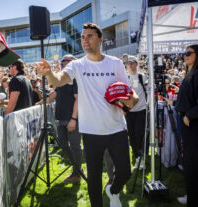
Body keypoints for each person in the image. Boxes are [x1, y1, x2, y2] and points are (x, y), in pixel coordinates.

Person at [36, 23, 139, 207]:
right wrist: (49, 73)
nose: (85, 40)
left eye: (90, 36)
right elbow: (58, 80)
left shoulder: (115, 63)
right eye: (83, 37)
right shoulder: (77, 65)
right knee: (94, 178)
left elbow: (128, 91)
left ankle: (113, 191)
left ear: (100, 39)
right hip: (91, 132)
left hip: (117, 128)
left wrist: (134, 99)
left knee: (125, 173)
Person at [175, 44, 198, 206]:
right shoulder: (191, 74)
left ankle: (197, 200)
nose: (185, 55)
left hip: (194, 126)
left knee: (196, 165)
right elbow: (189, 99)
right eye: (184, 53)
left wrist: (189, 115)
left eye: (189, 53)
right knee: (190, 163)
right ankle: (192, 196)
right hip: (188, 125)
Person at [37, 54, 83, 183]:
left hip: (71, 118)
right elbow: (55, 93)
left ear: (73, 62)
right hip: (61, 118)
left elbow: (78, 99)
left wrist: (74, 119)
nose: (62, 63)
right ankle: (78, 169)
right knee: (62, 145)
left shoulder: (75, 78)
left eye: (65, 60)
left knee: (75, 146)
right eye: (62, 60)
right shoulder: (62, 78)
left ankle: (77, 173)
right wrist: (39, 103)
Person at [125, 55, 149, 170]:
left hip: (142, 110)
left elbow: (148, 91)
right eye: (128, 63)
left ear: (136, 64)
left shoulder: (142, 77)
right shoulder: (125, 78)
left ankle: (141, 157)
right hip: (129, 112)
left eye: (132, 63)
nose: (130, 65)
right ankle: (137, 156)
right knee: (132, 136)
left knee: (140, 134)